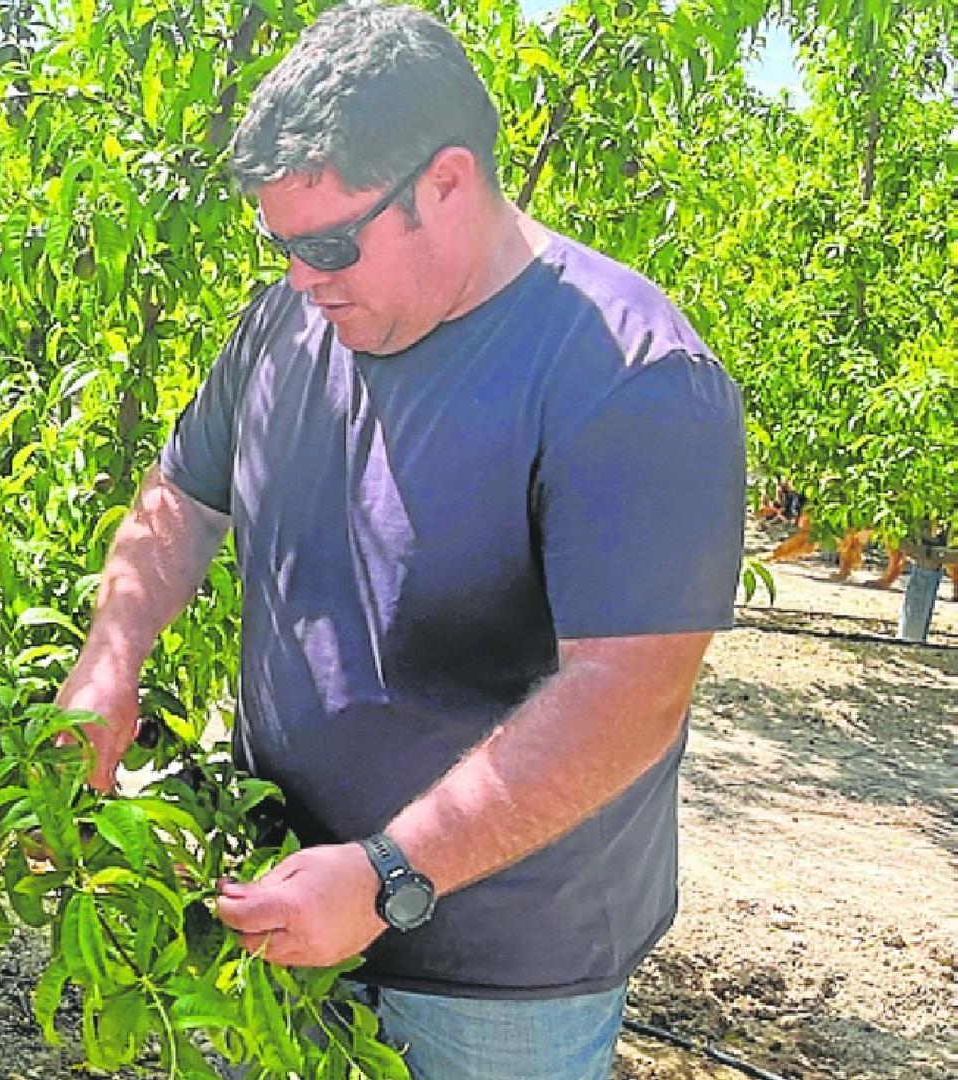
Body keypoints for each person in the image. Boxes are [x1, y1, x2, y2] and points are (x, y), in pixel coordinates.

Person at [55, 5, 744, 1077]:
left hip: (498, 984)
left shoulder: (630, 379)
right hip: (287, 917)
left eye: (328, 243)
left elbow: (629, 696)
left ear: (449, 182)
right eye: (279, 245)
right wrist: (112, 658)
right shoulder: (284, 328)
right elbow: (180, 502)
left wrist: (387, 875)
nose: (301, 277)